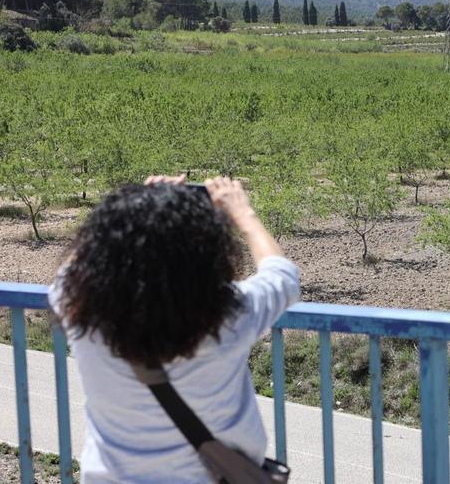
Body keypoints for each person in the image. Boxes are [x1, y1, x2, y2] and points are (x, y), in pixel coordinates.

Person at [49, 175, 300, 483]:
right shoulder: (232, 315)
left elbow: (75, 265)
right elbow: (283, 276)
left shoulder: (80, 311)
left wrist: (137, 209)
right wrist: (241, 213)